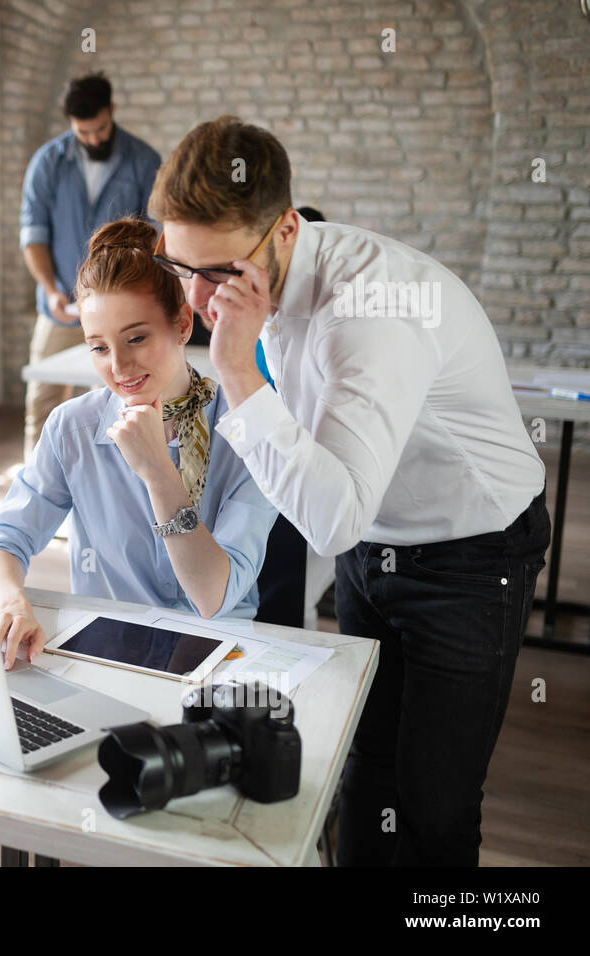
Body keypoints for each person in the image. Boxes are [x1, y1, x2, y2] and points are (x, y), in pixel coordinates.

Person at [148, 115, 550, 866]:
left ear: (286, 230)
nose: (199, 300)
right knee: (364, 769)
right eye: (182, 268)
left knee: (435, 803)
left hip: (473, 551)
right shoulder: (257, 284)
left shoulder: (374, 314)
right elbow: (329, 495)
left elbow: (329, 524)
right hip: (376, 540)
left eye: (220, 273)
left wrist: (239, 375)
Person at [0, 218, 278, 670]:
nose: (119, 366)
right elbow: (4, 538)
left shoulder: (248, 429)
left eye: (136, 337)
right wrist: (10, 603)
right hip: (110, 651)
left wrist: (158, 470)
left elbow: (211, 598)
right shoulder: (71, 428)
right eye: (98, 347)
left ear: (180, 323)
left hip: (219, 654)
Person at [20, 70, 162, 462]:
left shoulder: (144, 161)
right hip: (60, 305)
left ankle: (103, 482)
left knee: (107, 400)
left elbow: (156, 239)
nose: (94, 139)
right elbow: (33, 236)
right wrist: (50, 290)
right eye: (83, 133)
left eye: (99, 128)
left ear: (112, 111)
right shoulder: (47, 163)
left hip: (122, 308)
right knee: (43, 397)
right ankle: (39, 482)